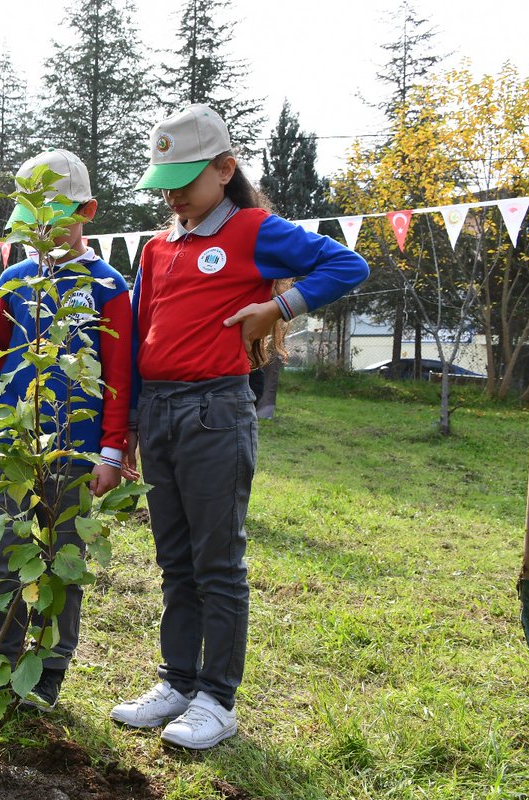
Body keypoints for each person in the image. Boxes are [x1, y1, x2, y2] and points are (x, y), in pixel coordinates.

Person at [109, 104, 369, 749]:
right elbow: (141, 333)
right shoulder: (158, 246)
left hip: (214, 413)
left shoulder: (254, 230)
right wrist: (134, 423)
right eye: (163, 182)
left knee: (216, 561)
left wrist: (277, 307)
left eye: (185, 180)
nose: (172, 194)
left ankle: (217, 699)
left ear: (224, 169)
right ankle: (177, 680)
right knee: (173, 560)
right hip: (161, 414)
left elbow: (346, 266)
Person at [0, 149, 133, 711]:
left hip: (74, 450)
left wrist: (112, 450)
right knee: (1, 549)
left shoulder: (109, 286)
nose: (45, 231)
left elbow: (120, 374)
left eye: (58, 217)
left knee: (60, 556)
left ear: (87, 211)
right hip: (13, 448)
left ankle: (48, 671)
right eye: (33, 221)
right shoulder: (14, 278)